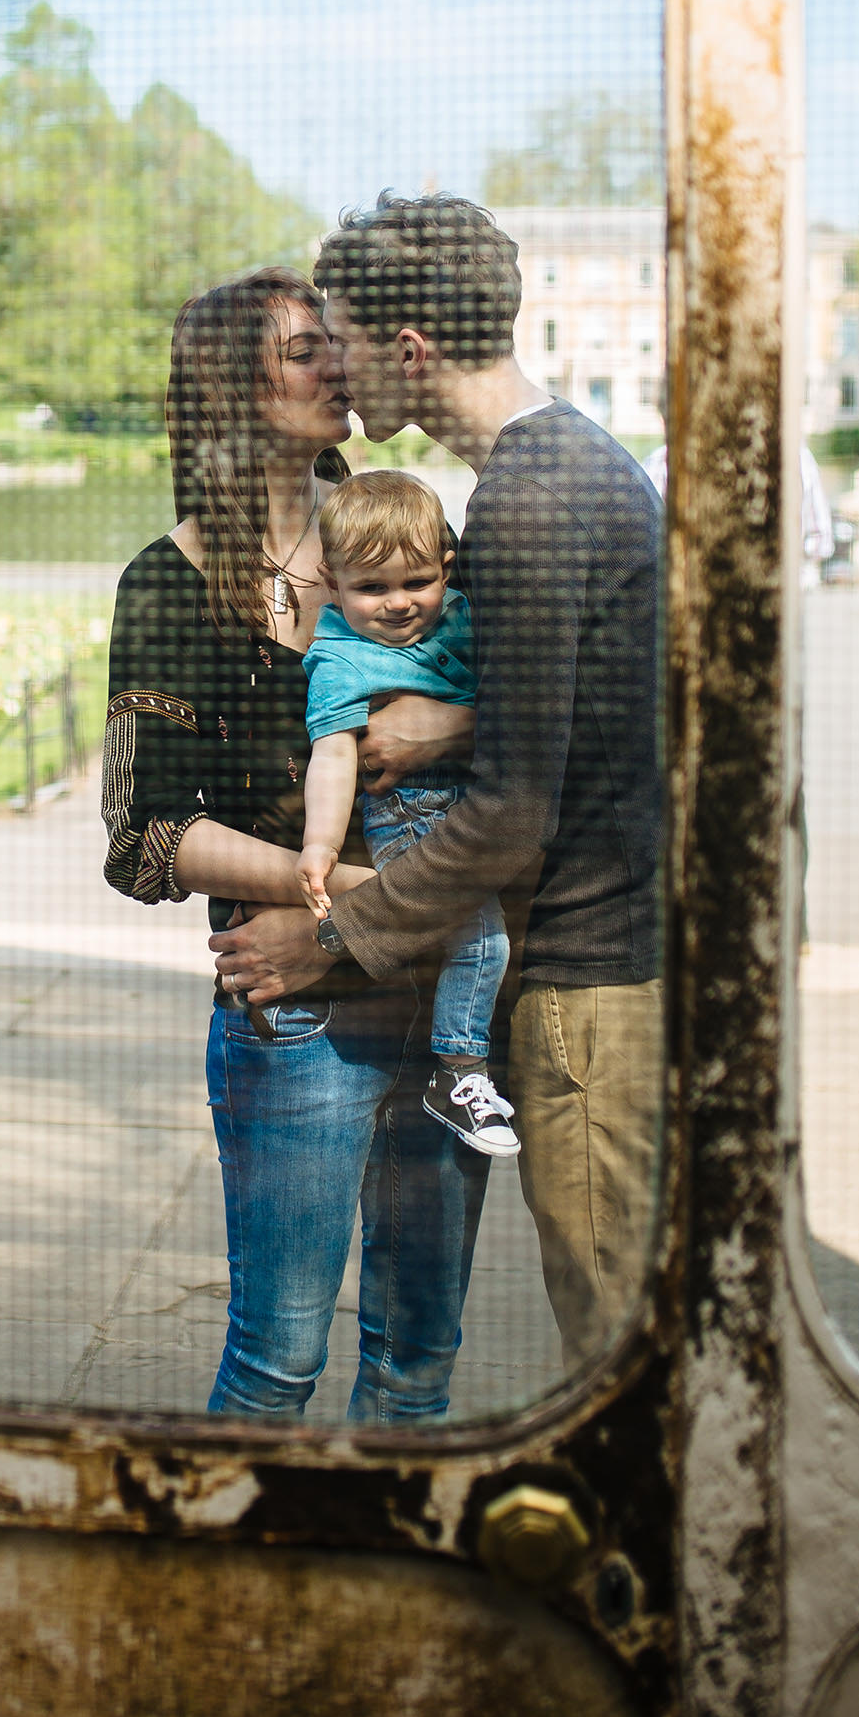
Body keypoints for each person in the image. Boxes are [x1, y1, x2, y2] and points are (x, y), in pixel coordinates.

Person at [211, 195, 663, 1373]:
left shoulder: (522, 500)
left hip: (583, 992)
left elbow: (515, 812)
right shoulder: (573, 463)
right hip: (610, 969)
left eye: (347, 342)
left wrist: (330, 936)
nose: (341, 376)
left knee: (614, 1357)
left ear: (409, 349)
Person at [101, 269, 491, 1422]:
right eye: (304, 350)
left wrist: (458, 724)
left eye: (338, 344)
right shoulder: (165, 584)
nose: (341, 366)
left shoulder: (414, 536)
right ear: (230, 389)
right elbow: (142, 837)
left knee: (417, 1360)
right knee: (275, 1365)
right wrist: (341, 894)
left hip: (442, 1003)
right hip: (294, 1017)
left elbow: (530, 719)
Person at [296, 468, 518, 1159]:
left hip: (471, 806)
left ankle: (372, 934)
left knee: (474, 940)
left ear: (446, 569)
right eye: (371, 588)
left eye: (415, 582)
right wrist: (320, 846)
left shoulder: (463, 614)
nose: (397, 604)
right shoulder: (341, 659)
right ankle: (458, 1072)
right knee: (482, 943)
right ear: (333, 585)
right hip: (408, 815)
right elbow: (332, 758)